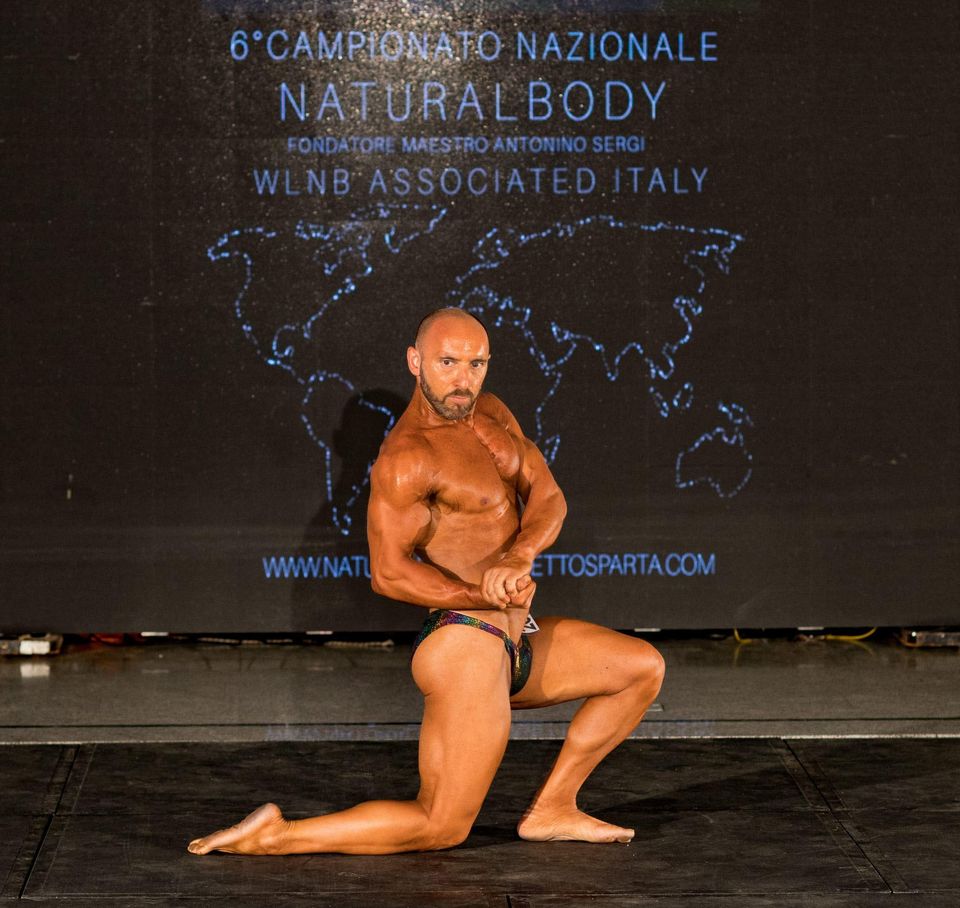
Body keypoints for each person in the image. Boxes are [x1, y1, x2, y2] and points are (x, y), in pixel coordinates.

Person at [187, 307, 665, 856]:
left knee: (639, 669)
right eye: (448, 362)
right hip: (465, 642)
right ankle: (277, 835)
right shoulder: (408, 458)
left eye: (476, 364)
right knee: (441, 825)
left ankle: (553, 807)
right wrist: (478, 593)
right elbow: (388, 573)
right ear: (415, 362)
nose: (463, 379)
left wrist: (519, 555)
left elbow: (549, 497)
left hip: (512, 641)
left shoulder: (492, 413)